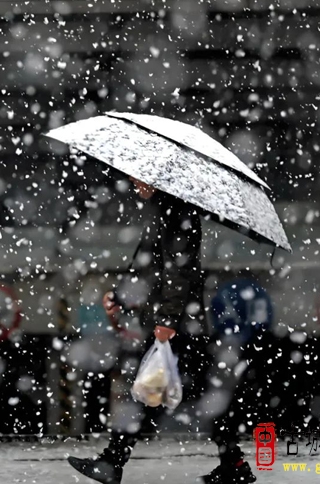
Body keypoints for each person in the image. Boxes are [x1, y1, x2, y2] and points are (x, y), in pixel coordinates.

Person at [67, 177, 256, 484]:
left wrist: (167, 320)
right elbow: (148, 267)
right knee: (179, 391)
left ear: (158, 178)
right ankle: (233, 464)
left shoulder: (176, 212)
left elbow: (180, 271)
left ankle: (113, 462)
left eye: (139, 177)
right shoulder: (164, 210)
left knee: (151, 390)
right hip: (178, 322)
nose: (132, 181)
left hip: (176, 324)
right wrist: (120, 296)